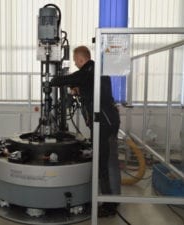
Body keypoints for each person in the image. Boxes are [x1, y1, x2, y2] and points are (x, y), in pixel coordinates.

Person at [50, 45, 120, 217]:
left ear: (81, 59)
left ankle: (110, 206)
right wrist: (80, 90)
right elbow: (93, 90)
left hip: (104, 124)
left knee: (103, 164)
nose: (75, 63)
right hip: (106, 122)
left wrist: (51, 81)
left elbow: (72, 78)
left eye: (75, 60)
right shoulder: (94, 73)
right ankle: (111, 198)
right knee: (109, 162)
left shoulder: (90, 69)